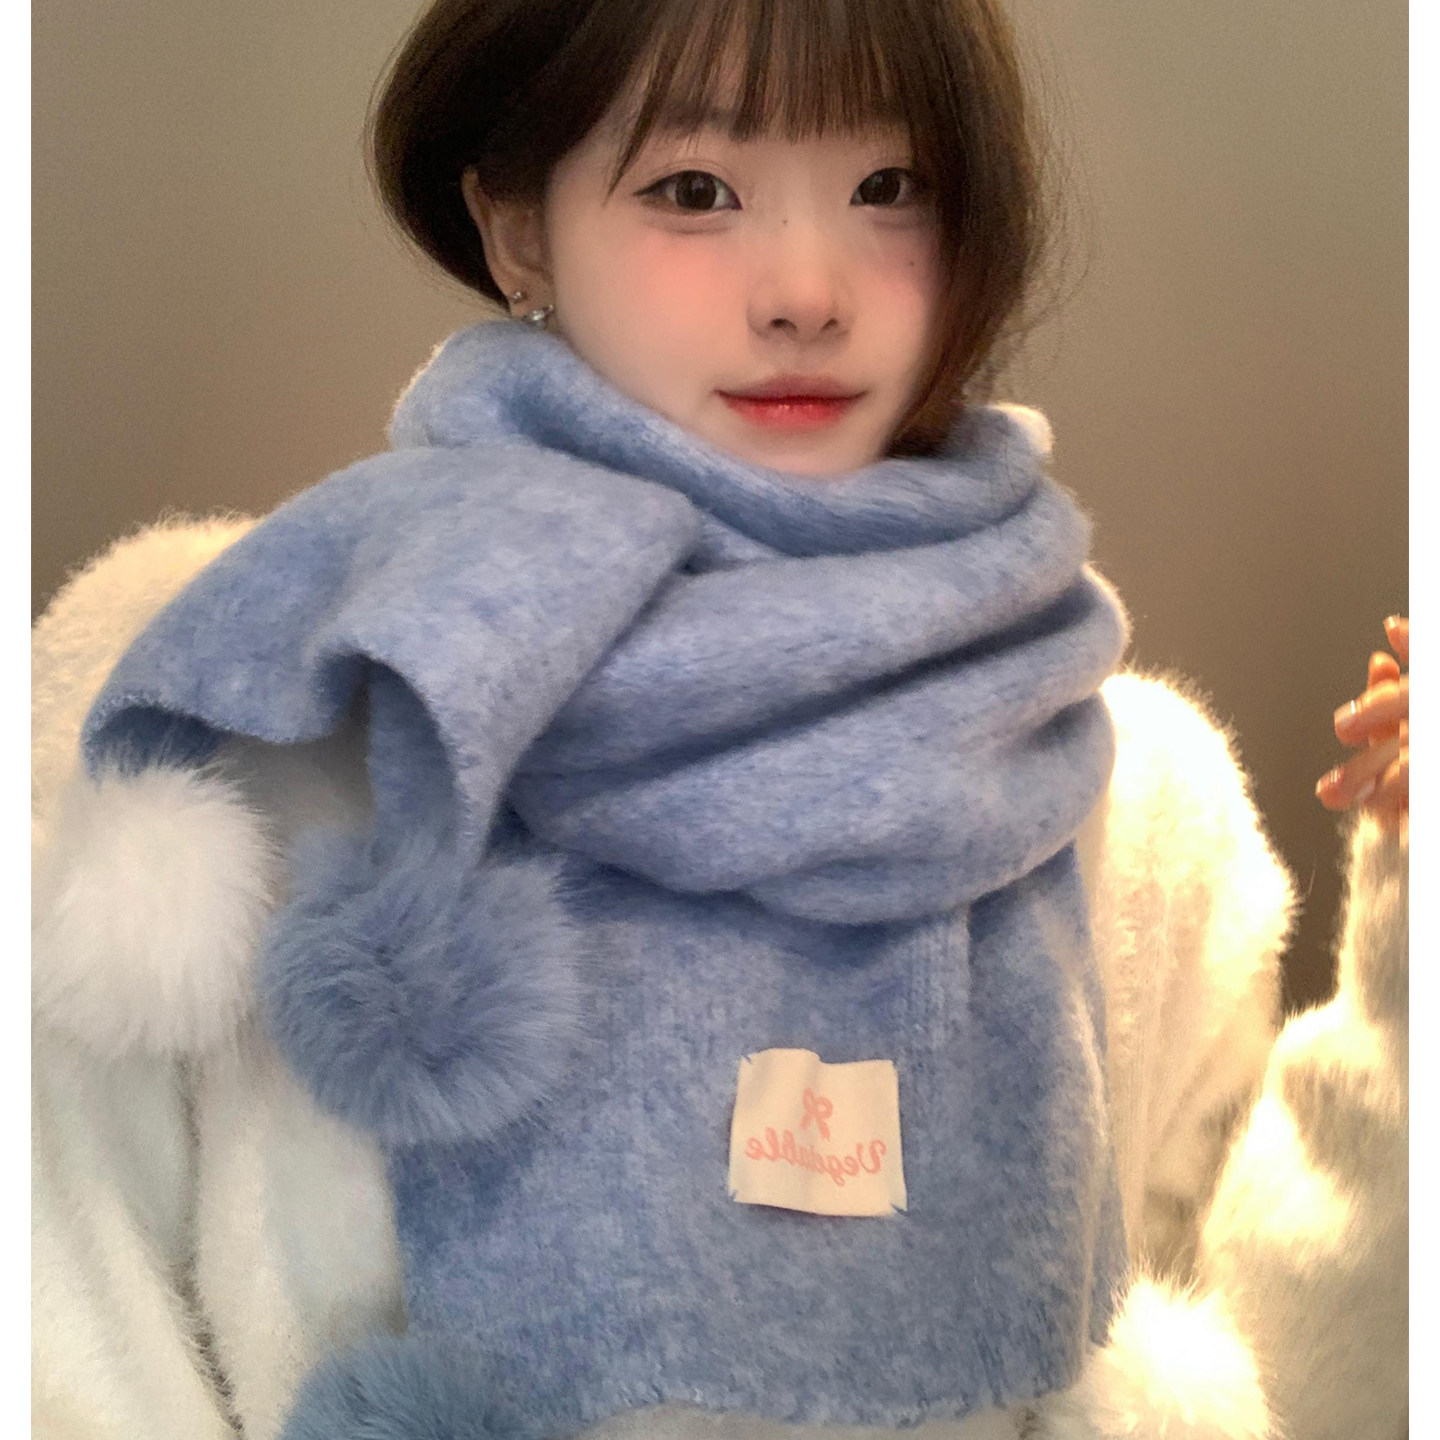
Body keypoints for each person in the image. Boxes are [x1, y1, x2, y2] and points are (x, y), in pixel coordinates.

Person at [29, 1, 1407, 1437]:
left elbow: (1283, 1396)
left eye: (891, 186)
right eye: (695, 189)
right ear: (517, 229)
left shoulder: (1122, 785)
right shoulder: (232, 732)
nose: (808, 290)